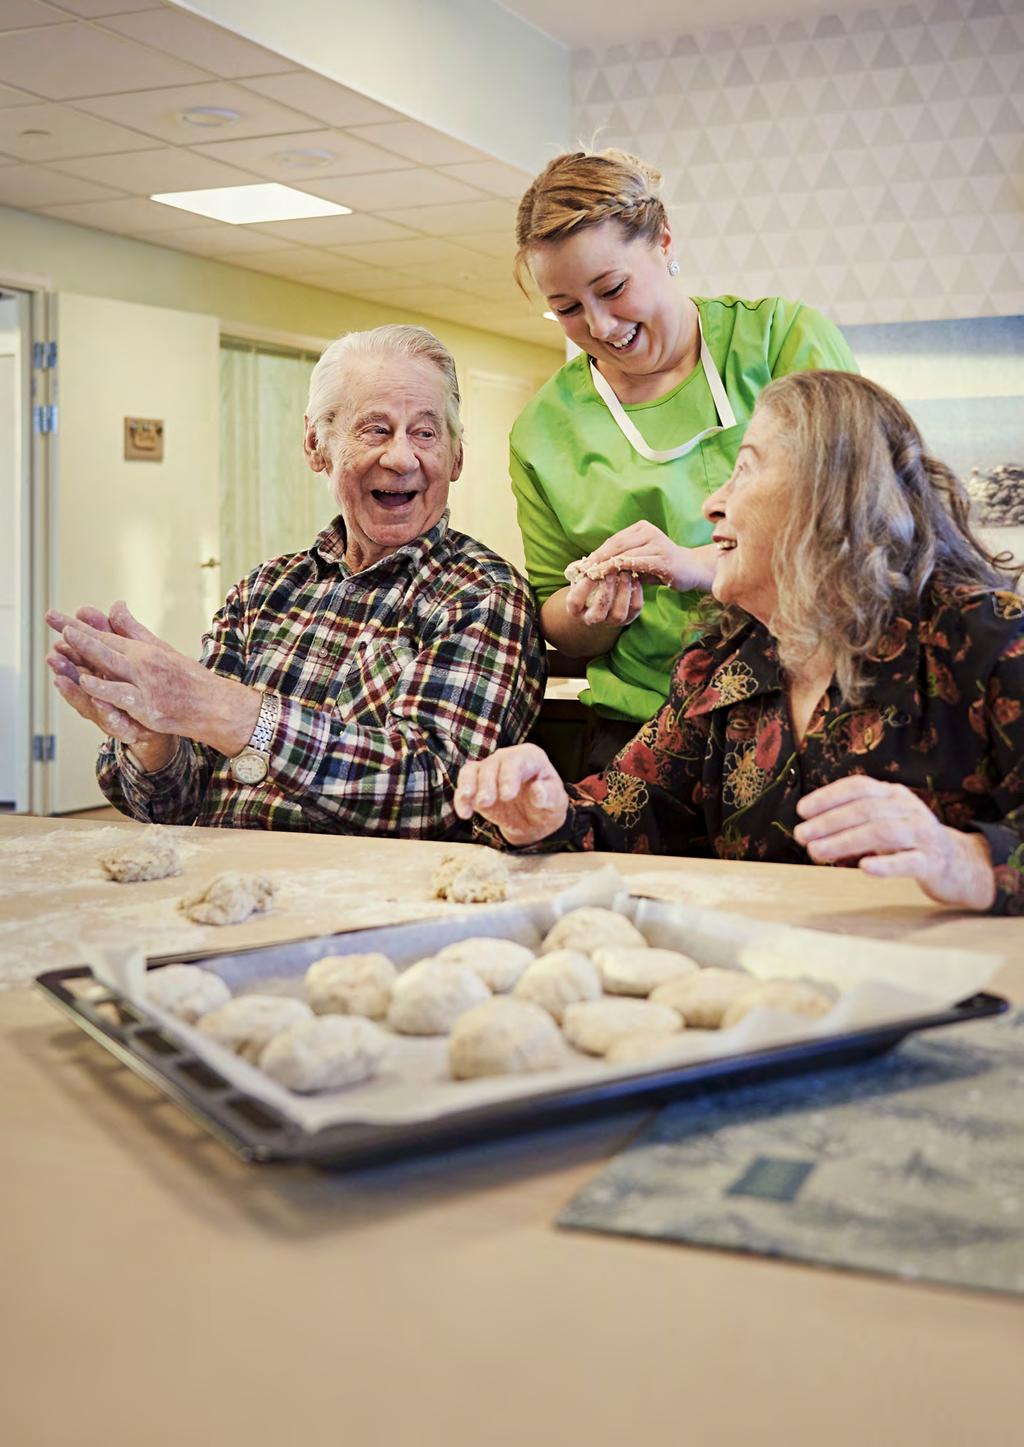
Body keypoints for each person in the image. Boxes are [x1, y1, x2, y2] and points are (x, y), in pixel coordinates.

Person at [456, 371, 1024, 915]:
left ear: (831, 495)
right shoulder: (724, 662)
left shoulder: (986, 637)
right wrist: (545, 813)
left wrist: (969, 858)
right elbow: (627, 815)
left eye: (744, 472)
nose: (712, 504)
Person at [46, 325, 546, 837]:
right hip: (222, 885)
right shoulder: (263, 591)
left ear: (455, 456)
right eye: (375, 429)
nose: (401, 458)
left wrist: (231, 713)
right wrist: (155, 742)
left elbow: (439, 791)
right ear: (316, 444)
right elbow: (170, 806)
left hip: (369, 901)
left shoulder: (480, 593)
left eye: (425, 432)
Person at [511, 147, 858, 768]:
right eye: (565, 308)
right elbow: (552, 611)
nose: (600, 325)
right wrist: (594, 610)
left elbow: (850, 525)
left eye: (612, 288)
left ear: (664, 240)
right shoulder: (542, 431)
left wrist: (699, 566)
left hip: (804, 707)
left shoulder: (782, 343)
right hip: (645, 731)